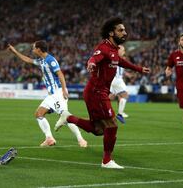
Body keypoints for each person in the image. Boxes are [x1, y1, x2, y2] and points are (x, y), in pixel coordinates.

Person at [55, 17, 150, 169]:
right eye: (121, 30)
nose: (124, 33)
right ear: (111, 33)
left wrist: (139, 69)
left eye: (124, 30)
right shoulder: (104, 47)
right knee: (112, 124)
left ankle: (69, 117)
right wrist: (91, 63)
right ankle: (106, 161)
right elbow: (94, 57)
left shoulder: (113, 49)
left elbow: (121, 62)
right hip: (96, 92)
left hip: (99, 92)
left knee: (99, 129)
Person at [8, 41, 87, 148]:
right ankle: (49, 138)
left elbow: (60, 74)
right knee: (38, 114)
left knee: (65, 116)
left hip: (58, 92)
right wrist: (15, 52)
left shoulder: (51, 60)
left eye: (34, 48)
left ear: (39, 49)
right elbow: (27, 60)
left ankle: (81, 139)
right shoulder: (41, 61)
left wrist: (64, 90)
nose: (32, 49)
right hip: (51, 95)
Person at [109, 45, 129, 124]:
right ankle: (120, 114)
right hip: (117, 79)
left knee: (111, 97)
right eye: (123, 50)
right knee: (125, 95)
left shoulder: (113, 57)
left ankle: (99, 109)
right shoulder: (116, 57)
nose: (124, 52)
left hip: (113, 80)